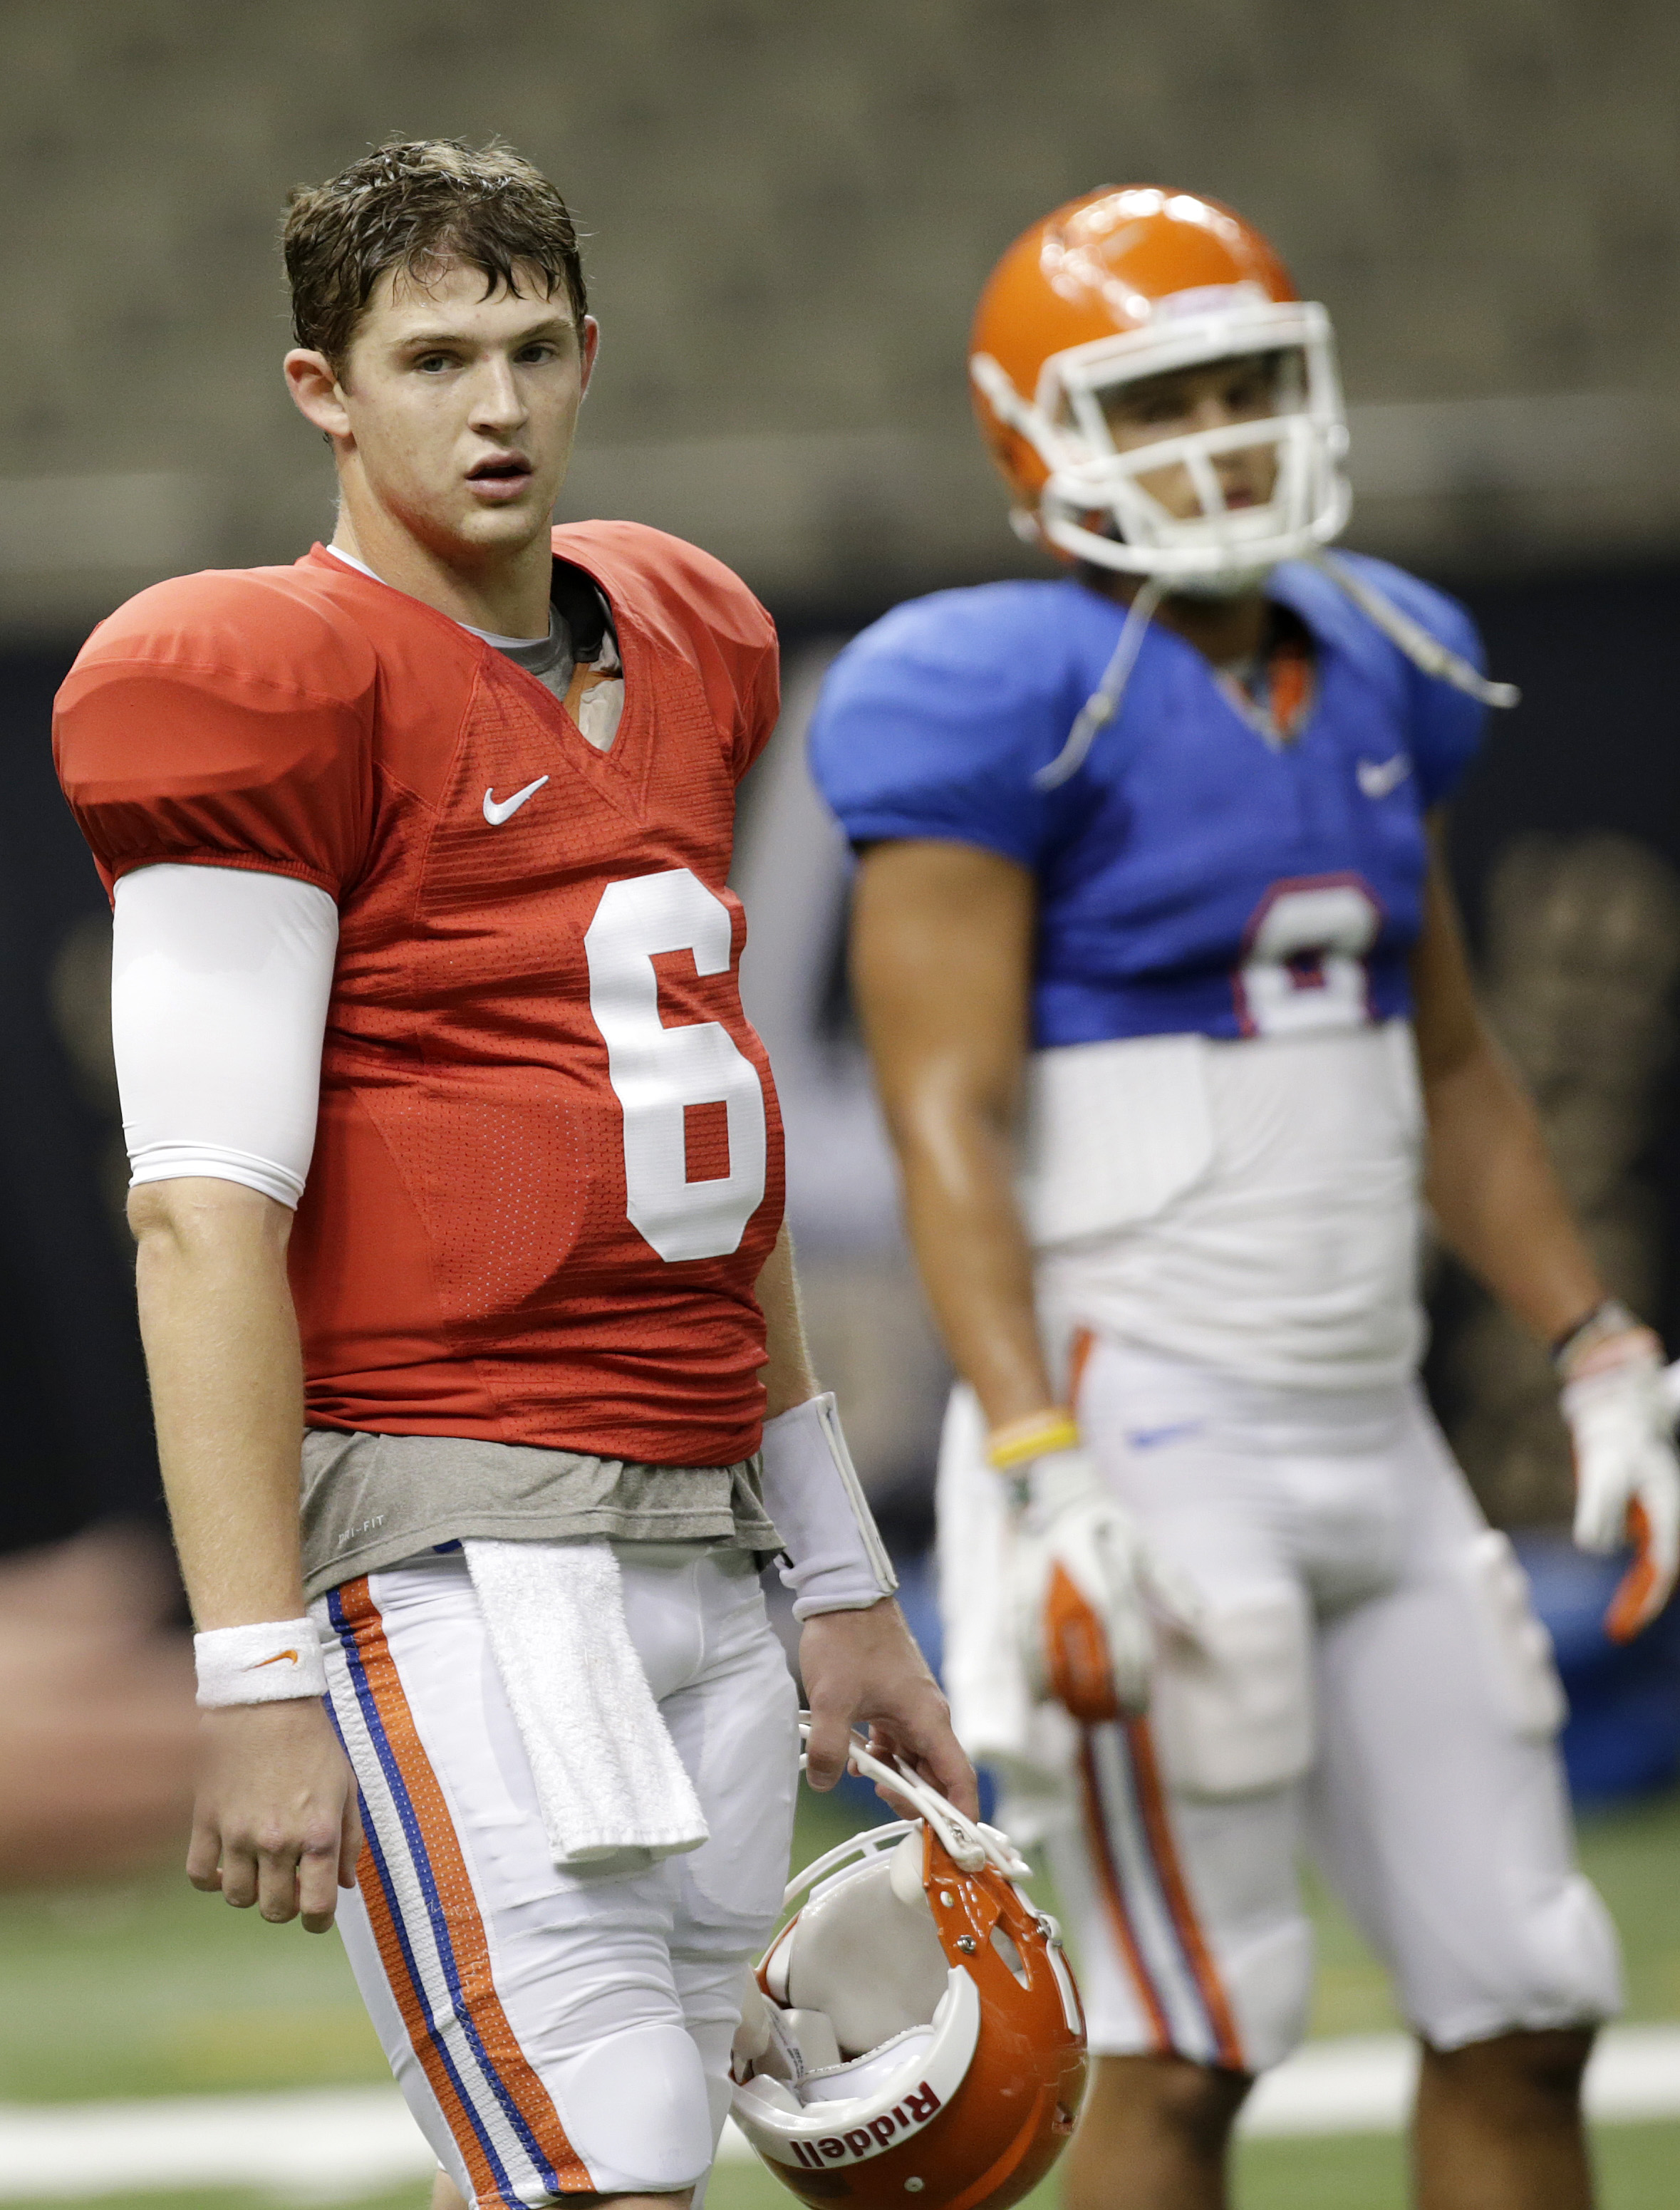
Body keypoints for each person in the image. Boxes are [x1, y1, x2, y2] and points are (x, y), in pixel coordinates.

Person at [53, 138, 971, 2210]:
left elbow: (715, 1150)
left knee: (716, 2154)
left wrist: (840, 1572)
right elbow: (200, 1215)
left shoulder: (687, 630)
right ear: (323, 390)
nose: (494, 406)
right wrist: (254, 1667)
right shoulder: (258, 683)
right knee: (605, 2164)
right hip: (462, 1560)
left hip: (710, 1550)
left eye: (533, 349)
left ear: (590, 358)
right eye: (434, 355)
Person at [807, 186, 1680, 2210]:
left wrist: (1598, 1340)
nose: (1216, 433)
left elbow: (1445, 1060)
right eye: (1161, 394)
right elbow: (948, 1117)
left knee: (1531, 1993)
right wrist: (1034, 1452)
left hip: (1371, 1431)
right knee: (1182, 2042)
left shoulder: (1384, 653)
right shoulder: (1005, 688)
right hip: (1150, 1435)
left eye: (1244, 385)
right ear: (1043, 437)